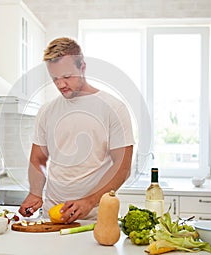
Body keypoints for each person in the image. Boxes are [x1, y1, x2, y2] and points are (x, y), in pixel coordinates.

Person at [19, 37, 135, 222]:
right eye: (55, 79)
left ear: (82, 67)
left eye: (66, 77)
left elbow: (122, 168)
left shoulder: (114, 108)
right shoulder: (47, 111)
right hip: (52, 214)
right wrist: (35, 193)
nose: (60, 85)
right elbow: (38, 159)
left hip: (96, 217)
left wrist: (89, 201)